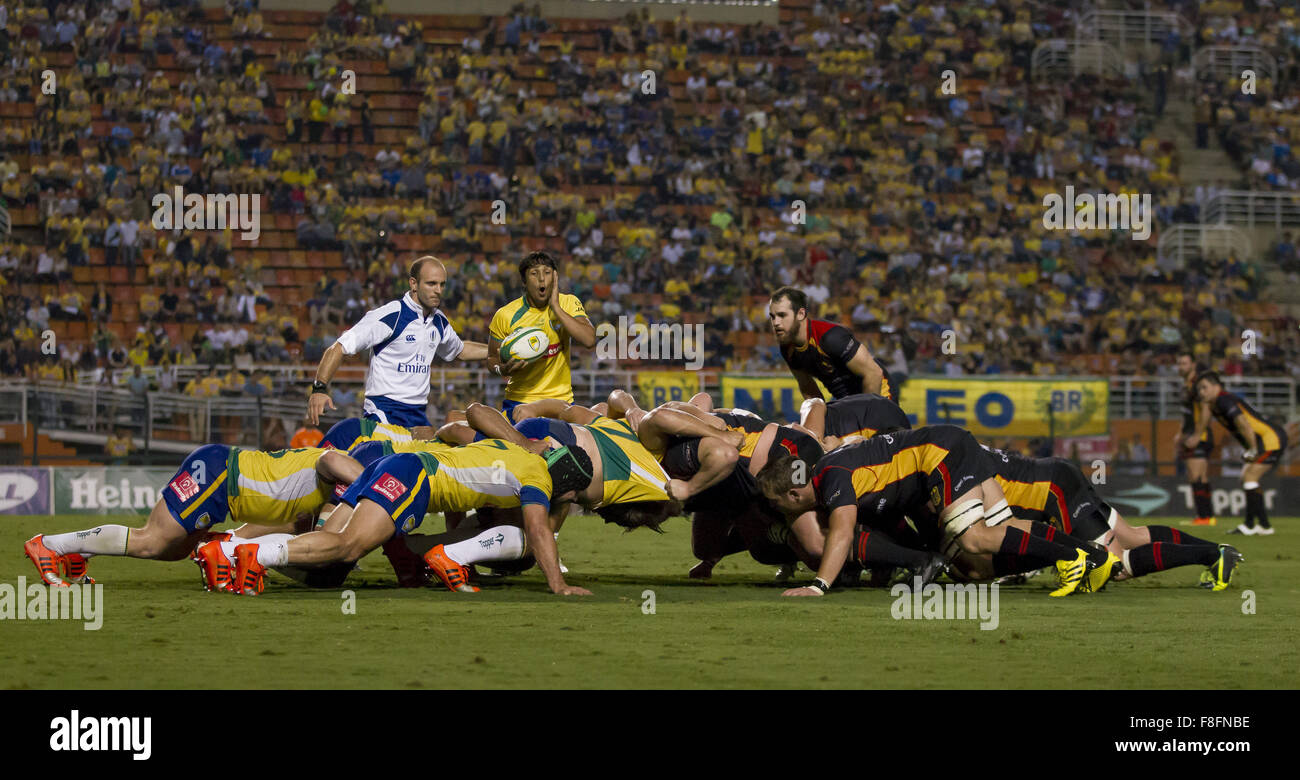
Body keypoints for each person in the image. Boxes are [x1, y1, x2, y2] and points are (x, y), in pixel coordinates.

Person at [756, 426, 1117, 598]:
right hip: (952, 444)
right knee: (1001, 534)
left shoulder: (831, 479)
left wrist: (819, 586)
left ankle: (1070, 556)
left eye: (778, 503)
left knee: (974, 540)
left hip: (941, 454)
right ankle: (1095, 556)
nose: (779, 510)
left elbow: (842, 533)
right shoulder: (826, 469)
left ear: (793, 492)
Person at [211, 440, 596, 597]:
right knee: (345, 548)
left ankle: (230, 551)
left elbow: (468, 471)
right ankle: (254, 555)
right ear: (566, 486)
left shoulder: (516, 452)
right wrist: (558, 585)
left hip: (397, 463)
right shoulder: (537, 479)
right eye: (571, 497)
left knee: (330, 565)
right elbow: (536, 530)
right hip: (414, 477)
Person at [24, 446, 363, 586]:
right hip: (218, 473)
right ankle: (49, 545)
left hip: (225, 490)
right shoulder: (333, 463)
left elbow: (292, 527)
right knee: (151, 541)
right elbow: (333, 460)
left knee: (171, 550)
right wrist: (369, 486)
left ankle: (79, 553)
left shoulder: (318, 498)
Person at [306, 256, 490, 428]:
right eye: (431, 284)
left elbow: (460, 350)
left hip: (418, 414)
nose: (438, 290)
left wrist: (500, 349)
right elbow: (338, 347)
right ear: (414, 284)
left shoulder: (439, 321)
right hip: (383, 411)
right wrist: (319, 389)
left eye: (442, 285)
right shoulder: (390, 315)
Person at [488, 251, 595, 422]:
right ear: (524, 282)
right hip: (519, 403)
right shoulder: (505, 315)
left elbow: (589, 340)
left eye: (547, 272)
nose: (541, 279)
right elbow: (492, 358)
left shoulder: (568, 303)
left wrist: (556, 308)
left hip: (562, 403)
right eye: (534, 273)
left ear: (555, 277)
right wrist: (502, 369)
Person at [1193, 371, 1288, 535]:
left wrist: (1252, 449)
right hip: (1263, 441)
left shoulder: (1224, 400)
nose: (1201, 392)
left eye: (1204, 387)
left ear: (1216, 387)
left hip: (1269, 440)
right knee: (1247, 478)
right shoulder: (1215, 404)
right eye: (1199, 389)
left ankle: (1250, 525)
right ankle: (1263, 526)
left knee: (1250, 477)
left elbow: (1243, 424)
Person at [767, 286, 896, 404]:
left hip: (879, 393)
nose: (775, 323)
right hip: (846, 401)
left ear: (801, 314)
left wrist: (866, 417)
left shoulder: (830, 337)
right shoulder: (787, 348)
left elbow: (874, 373)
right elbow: (807, 387)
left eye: (782, 315)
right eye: (772, 317)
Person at [1174, 351, 1216, 525]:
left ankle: (1203, 517)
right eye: (1180, 363)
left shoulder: (1197, 384)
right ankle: (1208, 516)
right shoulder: (1186, 385)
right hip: (1193, 434)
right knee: (1202, 477)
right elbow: (1188, 414)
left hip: (1199, 435)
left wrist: (1198, 435)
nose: (1181, 366)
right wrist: (1180, 433)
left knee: (1195, 476)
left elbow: (1206, 409)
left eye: (1185, 363)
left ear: (1192, 364)